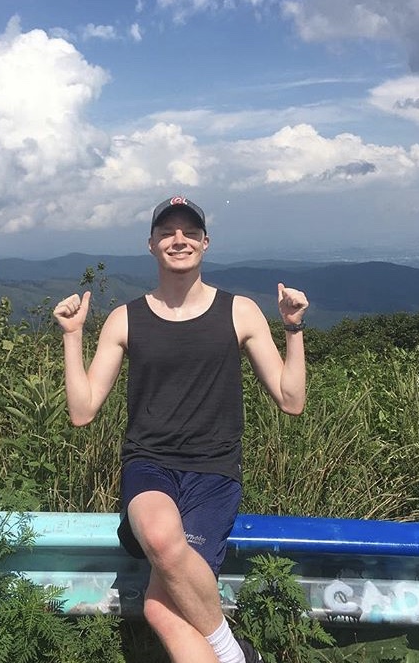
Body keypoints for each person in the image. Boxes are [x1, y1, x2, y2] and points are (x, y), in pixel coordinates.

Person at [53, 196, 309, 663]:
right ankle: (235, 653)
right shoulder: (125, 318)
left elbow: (291, 400)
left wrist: (293, 328)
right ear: (151, 244)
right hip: (149, 464)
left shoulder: (241, 312)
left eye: (189, 232)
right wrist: (73, 337)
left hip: (214, 474)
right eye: (167, 232)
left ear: (205, 243)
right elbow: (82, 410)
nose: (179, 240)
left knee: (161, 609)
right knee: (158, 533)